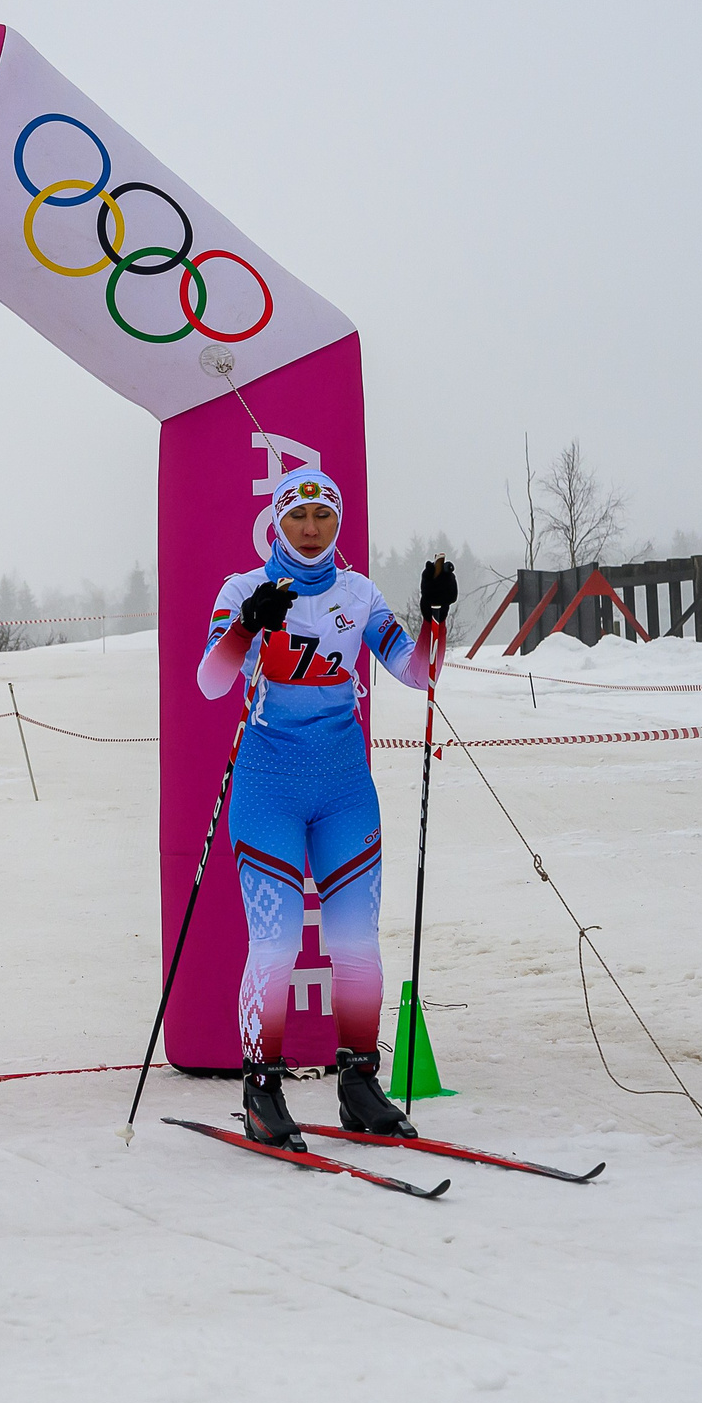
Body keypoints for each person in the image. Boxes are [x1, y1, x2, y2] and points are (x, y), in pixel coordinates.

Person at [197, 468, 458, 1151]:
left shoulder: (358, 593)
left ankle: (359, 1084)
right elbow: (210, 680)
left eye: (323, 514)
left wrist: (434, 619)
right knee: (278, 942)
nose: (312, 527)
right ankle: (262, 1090)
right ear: (277, 522)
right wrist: (246, 627)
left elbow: (418, 672)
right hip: (268, 789)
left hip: (343, 789)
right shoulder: (241, 589)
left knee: (356, 944)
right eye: (298, 515)